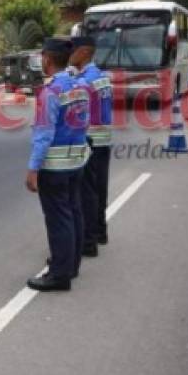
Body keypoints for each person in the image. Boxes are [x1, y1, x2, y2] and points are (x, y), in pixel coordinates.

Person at [26, 38, 90, 292]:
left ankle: (59, 275)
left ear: (48, 59)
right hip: (77, 161)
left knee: (58, 219)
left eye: (42, 57)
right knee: (74, 212)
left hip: (55, 166)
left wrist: (33, 169)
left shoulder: (51, 91)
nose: (41, 61)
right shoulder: (80, 86)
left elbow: (44, 133)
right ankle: (71, 265)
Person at [69, 36, 113, 254]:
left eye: (73, 50)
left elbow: (79, 115)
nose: (70, 54)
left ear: (85, 52)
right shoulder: (102, 76)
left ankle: (89, 241)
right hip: (104, 139)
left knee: (86, 192)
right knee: (99, 187)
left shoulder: (85, 81)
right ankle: (101, 231)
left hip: (90, 140)